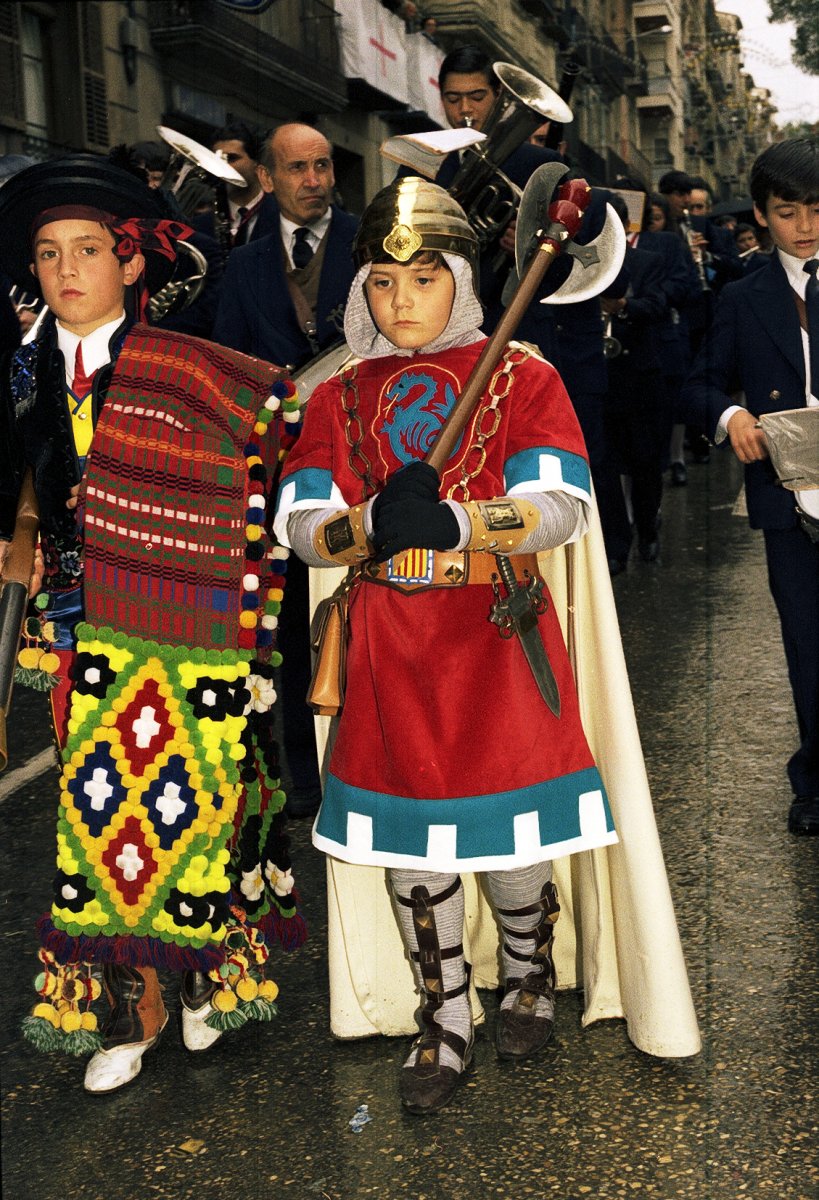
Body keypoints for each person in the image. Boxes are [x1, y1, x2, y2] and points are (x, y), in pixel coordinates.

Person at [273, 176, 624, 1115]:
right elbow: (298, 524)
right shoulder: (337, 392)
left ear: (461, 281)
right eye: (383, 284)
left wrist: (459, 522)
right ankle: (444, 1016)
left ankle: (527, 974)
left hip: (495, 635)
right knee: (413, 840)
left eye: (424, 279)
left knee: (512, 832)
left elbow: (562, 506)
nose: (402, 301)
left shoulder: (522, 378)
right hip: (389, 643)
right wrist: (368, 525)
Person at [0, 155, 305, 1092]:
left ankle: (209, 973)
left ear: (131, 262)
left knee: (198, 800)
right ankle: (134, 1009)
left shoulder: (185, 365)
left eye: (88, 249)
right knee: (97, 816)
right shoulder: (18, 371)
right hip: (74, 624)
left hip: (186, 618)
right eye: (49, 253)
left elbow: (266, 446)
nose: (67, 270)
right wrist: (17, 531)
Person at [213, 123, 359, 820]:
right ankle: (306, 774)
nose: (314, 180)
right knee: (295, 629)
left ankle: (369, 765)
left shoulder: (367, 243)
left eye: (323, 166)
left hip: (358, 463)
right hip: (278, 475)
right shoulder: (241, 266)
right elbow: (227, 364)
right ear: (267, 179)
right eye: (297, 168)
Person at [682, 137, 819, 837]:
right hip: (790, 499)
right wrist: (730, 416)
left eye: (816, 209)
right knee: (807, 643)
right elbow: (699, 383)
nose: (805, 226)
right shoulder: (742, 298)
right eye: (787, 212)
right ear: (762, 216)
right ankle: (814, 782)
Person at [203, 121, 277, 248]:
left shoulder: (283, 217)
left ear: (257, 163)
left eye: (231, 158)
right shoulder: (201, 222)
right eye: (218, 159)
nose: (223, 165)